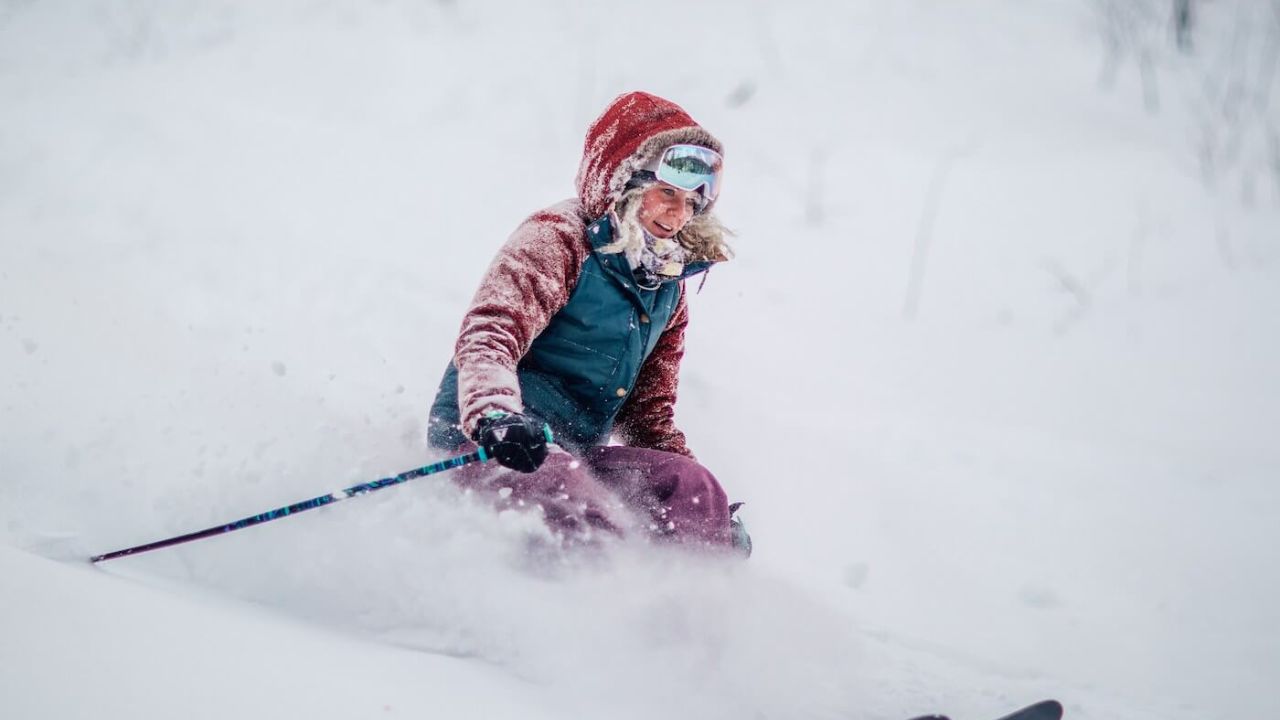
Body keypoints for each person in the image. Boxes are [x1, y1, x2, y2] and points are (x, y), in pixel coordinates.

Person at [427, 91, 747, 555]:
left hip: (575, 454)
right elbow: (489, 335)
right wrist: (496, 416)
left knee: (692, 491)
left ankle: (693, 612)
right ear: (625, 183)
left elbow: (647, 418)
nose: (677, 215)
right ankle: (578, 615)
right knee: (583, 511)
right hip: (492, 441)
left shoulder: (665, 286)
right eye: (666, 194)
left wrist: (711, 520)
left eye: (692, 203)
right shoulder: (557, 240)